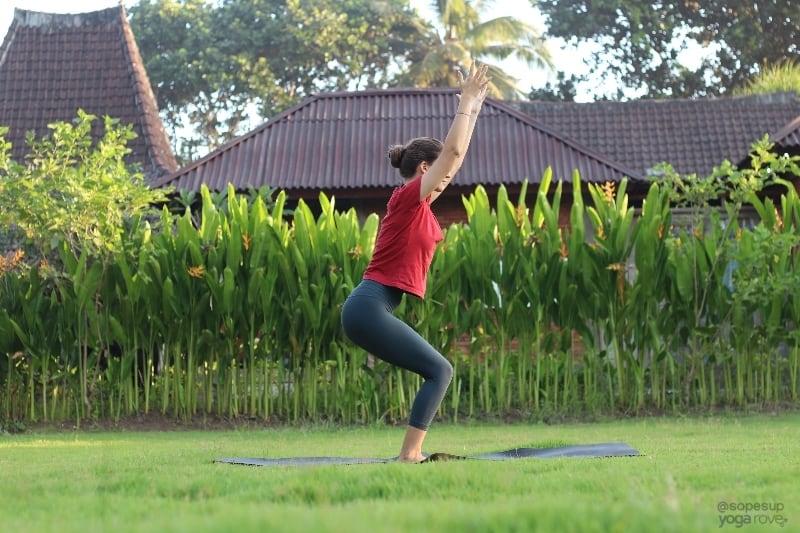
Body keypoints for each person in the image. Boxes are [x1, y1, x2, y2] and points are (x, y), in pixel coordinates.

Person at [341, 62, 490, 463]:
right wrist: (466, 100)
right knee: (440, 371)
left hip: (371, 307)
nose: (447, 181)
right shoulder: (407, 198)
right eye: (439, 175)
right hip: (367, 307)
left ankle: (411, 452)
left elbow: (455, 159)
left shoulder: (418, 206)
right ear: (424, 169)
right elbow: (453, 153)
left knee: (438, 370)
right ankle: (411, 454)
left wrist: (475, 109)